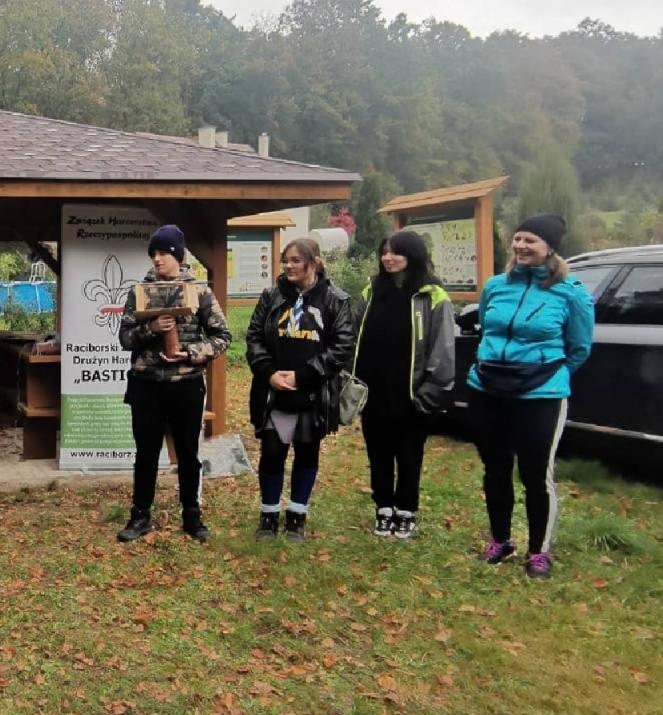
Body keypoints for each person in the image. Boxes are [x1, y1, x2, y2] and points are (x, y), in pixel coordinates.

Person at [467, 214, 594, 580]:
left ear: (550, 247)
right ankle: (500, 540)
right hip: (488, 389)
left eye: (531, 241)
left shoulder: (571, 293)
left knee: (536, 475)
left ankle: (539, 552)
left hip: (540, 394)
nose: (521, 246)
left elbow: (580, 347)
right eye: (518, 238)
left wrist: (549, 376)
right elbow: (484, 331)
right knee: (496, 469)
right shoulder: (496, 286)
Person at [115, 224, 231, 543]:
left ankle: (192, 516)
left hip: (186, 386)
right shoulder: (139, 292)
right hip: (146, 384)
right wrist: (150, 328)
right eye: (153, 253)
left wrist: (190, 353)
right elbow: (125, 338)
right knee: (146, 454)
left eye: (164, 253)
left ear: (178, 255)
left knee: (188, 454)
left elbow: (223, 337)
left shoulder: (201, 292)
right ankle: (140, 516)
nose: (157, 259)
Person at [246, 237, 356, 542]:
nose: (289, 266)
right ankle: (268, 514)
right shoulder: (271, 296)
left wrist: (305, 375)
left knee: (307, 453)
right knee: (272, 452)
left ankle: (297, 515)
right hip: (274, 393)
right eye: (286, 260)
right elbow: (254, 337)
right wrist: (268, 373)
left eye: (296, 260)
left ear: (314, 262)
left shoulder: (336, 299)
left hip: (312, 393)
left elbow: (343, 346)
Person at [352, 231, 456, 540]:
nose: (388, 258)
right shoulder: (372, 291)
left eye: (396, 253)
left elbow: (444, 349)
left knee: (409, 453)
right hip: (375, 389)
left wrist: (430, 392)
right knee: (379, 452)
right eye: (384, 252)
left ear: (412, 255)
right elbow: (354, 333)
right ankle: (383, 507)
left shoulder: (432, 295)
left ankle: (407, 510)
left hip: (412, 392)